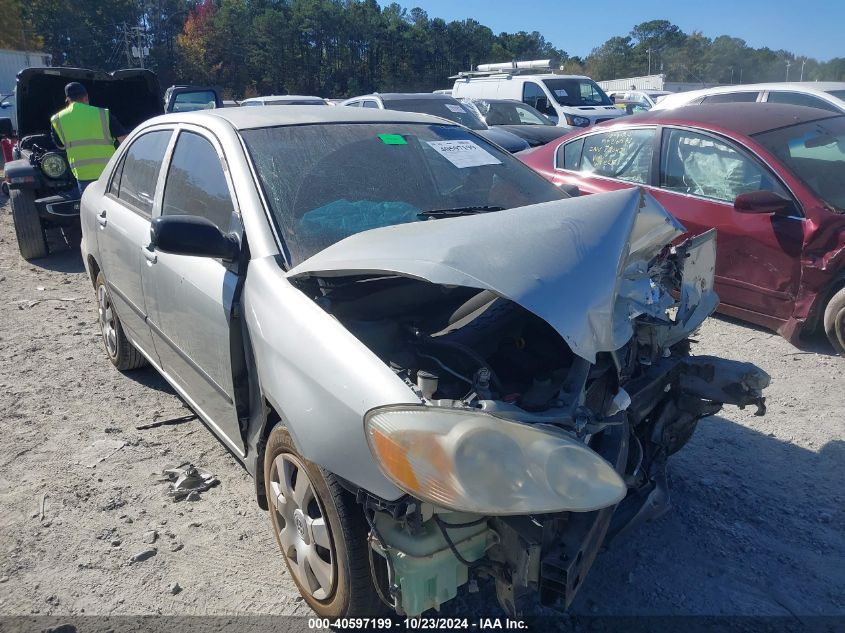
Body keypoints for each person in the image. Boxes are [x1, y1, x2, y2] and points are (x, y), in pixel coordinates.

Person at [50, 82, 127, 196]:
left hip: (83, 176)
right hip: (110, 172)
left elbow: (60, 145)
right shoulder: (103, 114)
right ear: (86, 97)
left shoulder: (57, 119)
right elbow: (123, 140)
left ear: (67, 99)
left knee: (92, 210)